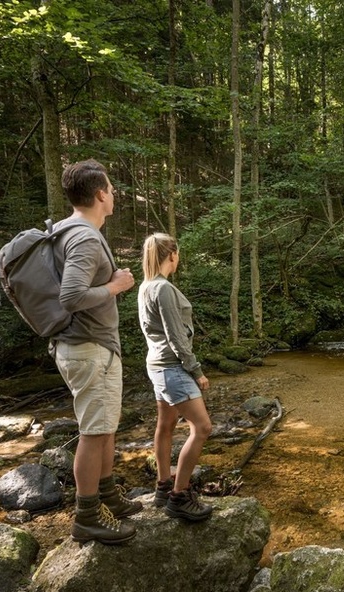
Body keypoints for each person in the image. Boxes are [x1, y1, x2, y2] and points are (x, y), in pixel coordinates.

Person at [52, 159, 142, 544]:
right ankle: (87, 515)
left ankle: (108, 497)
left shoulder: (63, 230)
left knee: (105, 426)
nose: (115, 194)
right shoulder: (85, 237)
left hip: (88, 346)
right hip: (87, 347)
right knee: (93, 431)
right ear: (100, 193)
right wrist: (117, 286)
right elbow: (70, 296)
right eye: (111, 188)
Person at [138, 233, 214, 522]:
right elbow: (176, 336)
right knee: (203, 427)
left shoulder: (146, 287)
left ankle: (163, 485)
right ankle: (179, 496)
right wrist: (196, 371)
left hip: (156, 365)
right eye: (177, 254)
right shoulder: (164, 289)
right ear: (172, 255)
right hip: (172, 367)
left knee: (166, 424)